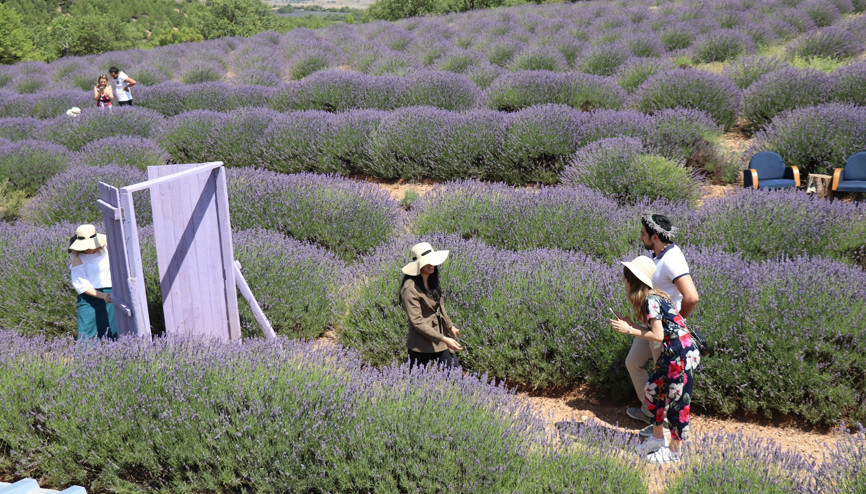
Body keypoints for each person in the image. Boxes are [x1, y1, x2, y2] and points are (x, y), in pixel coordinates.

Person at [611, 256, 700, 464]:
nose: (623, 282)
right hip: (672, 351)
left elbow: (658, 336)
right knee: (653, 390)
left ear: (633, 281)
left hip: (681, 353)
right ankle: (658, 440)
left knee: (678, 402)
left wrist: (630, 329)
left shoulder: (651, 300)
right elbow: (659, 331)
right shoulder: (656, 296)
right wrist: (633, 325)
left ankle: (675, 452)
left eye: (625, 279)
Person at [625, 213, 699, 438]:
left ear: (655, 237)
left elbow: (692, 297)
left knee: (664, 381)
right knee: (633, 362)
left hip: (665, 333)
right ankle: (649, 412)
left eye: (644, 234)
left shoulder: (672, 259)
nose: (640, 237)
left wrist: (678, 323)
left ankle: (664, 428)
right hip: (649, 324)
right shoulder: (658, 254)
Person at [399, 242, 462, 369]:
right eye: (427, 262)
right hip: (421, 344)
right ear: (418, 265)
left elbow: (440, 306)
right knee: (416, 383)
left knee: (455, 376)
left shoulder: (432, 281)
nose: (432, 264)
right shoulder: (409, 288)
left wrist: (450, 327)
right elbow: (417, 322)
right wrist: (444, 339)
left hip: (440, 339)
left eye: (433, 261)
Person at [68, 224, 117, 340]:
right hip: (89, 299)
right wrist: (104, 296)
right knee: (87, 336)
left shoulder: (106, 248)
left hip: (110, 295)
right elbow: (82, 286)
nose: (88, 248)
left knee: (111, 334)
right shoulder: (77, 258)